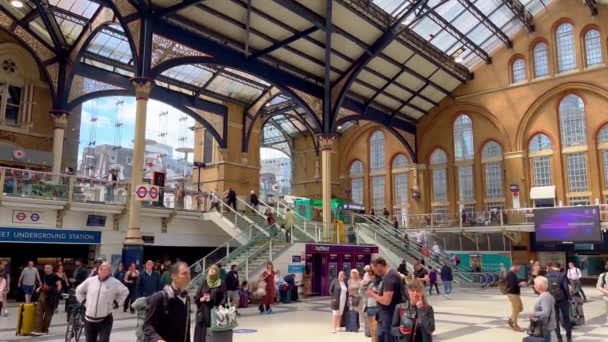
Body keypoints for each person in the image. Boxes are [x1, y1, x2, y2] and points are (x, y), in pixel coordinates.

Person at [76, 262, 128, 342]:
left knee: (104, 340)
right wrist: (83, 301)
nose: (101, 268)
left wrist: (117, 303)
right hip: (89, 319)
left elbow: (125, 292)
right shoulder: (90, 280)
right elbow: (79, 290)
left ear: (109, 271)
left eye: (104, 267)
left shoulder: (114, 282)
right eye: (101, 267)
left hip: (105, 319)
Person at [143, 262, 192, 342]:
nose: (188, 277)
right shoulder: (160, 297)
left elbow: (186, 329)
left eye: (189, 274)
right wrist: (158, 340)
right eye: (184, 274)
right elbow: (147, 326)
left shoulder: (187, 299)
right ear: (173, 276)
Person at [367, 257, 403, 342]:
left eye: (374, 269)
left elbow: (386, 301)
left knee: (388, 338)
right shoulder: (391, 275)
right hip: (387, 315)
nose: (374, 272)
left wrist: (373, 294)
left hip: (389, 315)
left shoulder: (390, 278)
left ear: (379, 266)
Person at [193, 264, 226, 341]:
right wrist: (201, 299)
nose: (211, 270)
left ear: (217, 272)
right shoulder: (204, 282)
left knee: (212, 335)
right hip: (203, 312)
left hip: (214, 312)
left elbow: (224, 297)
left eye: (214, 269)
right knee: (201, 334)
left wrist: (221, 305)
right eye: (210, 269)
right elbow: (196, 296)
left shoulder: (221, 283)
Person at [31, 264, 62, 336]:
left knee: (48, 315)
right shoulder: (44, 275)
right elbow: (44, 284)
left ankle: (45, 329)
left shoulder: (55, 276)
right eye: (45, 268)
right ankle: (38, 329)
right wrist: (39, 288)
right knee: (38, 313)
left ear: (51, 269)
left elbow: (59, 286)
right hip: (42, 295)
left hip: (50, 297)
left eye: (48, 268)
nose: (46, 269)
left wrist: (54, 294)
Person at [546, 263, 572, 342]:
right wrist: (569, 297)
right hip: (562, 299)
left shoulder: (547, 275)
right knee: (566, 317)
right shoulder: (562, 275)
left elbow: (546, 288)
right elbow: (565, 288)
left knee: (556, 319)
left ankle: (559, 338)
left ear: (552, 267)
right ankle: (568, 337)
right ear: (559, 267)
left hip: (552, 299)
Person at [529, 276, 556, 342]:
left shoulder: (545, 296)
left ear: (539, 285)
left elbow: (546, 313)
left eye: (535, 284)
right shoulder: (544, 295)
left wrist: (533, 314)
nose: (534, 286)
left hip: (544, 326)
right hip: (542, 325)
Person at [505, 264, 527, 332]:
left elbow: (514, 283)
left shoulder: (513, 273)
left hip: (515, 294)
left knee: (520, 308)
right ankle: (515, 326)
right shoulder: (511, 274)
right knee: (516, 309)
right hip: (513, 294)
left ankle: (511, 320)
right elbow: (512, 285)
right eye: (518, 267)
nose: (519, 269)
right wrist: (520, 284)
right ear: (515, 266)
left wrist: (519, 283)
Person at [360, 266, 379, 341]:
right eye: (368, 273)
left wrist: (373, 293)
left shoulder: (379, 282)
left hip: (376, 306)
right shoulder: (367, 282)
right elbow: (361, 292)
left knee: (375, 328)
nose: (370, 275)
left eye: (371, 273)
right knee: (371, 328)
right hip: (369, 306)